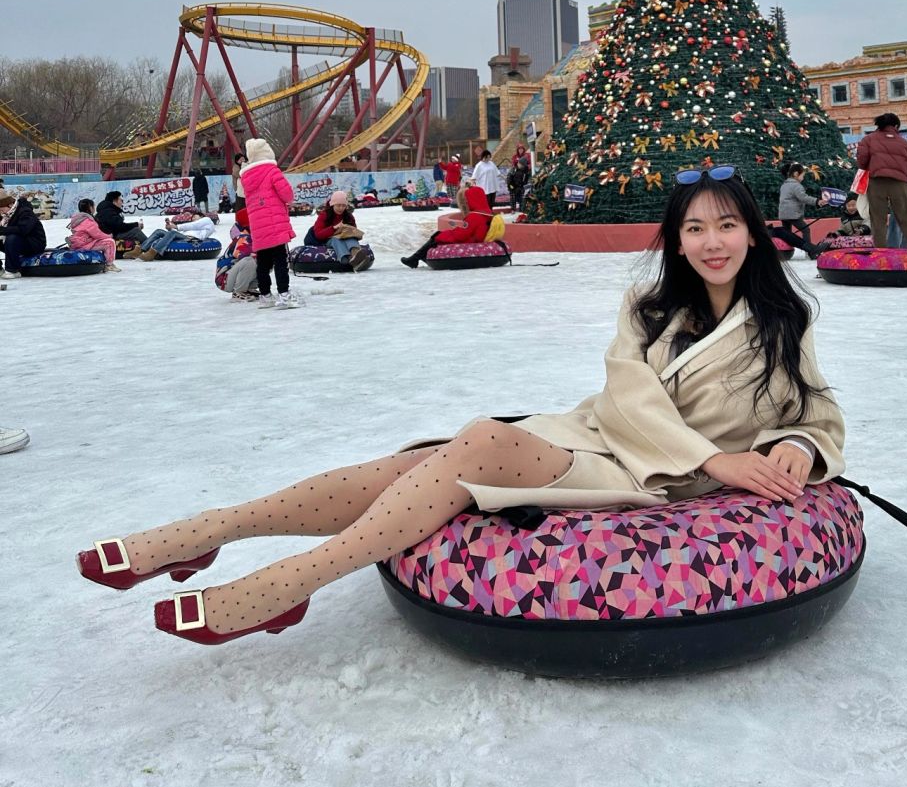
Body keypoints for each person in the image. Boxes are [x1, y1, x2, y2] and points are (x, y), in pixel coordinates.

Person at [77, 165, 844, 646]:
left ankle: (283, 583)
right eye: (695, 229)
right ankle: (210, 532)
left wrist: (796, 450)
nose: (713, 242)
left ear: (752, 232)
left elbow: (817, 414)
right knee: (412, 465)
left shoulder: (784, 322)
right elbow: (627, 392)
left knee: (477, 440)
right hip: (605, 434)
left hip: (663, 478)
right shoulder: (648, 306)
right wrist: (716, 451)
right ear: (676, 242)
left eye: (728, 225)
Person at [240, 138, 300, 309]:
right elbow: (287, 194)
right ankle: (284, 294)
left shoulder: (246, 177)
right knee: (280, 260)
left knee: (263, 262)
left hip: (258, 226)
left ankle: (265, 295)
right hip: (275, 223)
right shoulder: (272, 171)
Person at [855, 113, 907, 249]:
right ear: (896, 126)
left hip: (877, 182)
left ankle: (881, 250)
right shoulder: (903, 142)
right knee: (905, 215)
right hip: (899, 183)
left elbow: (862, 160)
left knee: (878, 218)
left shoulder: (868, 139)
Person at [399, 185, 494, 268]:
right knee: (439, 235)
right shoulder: (486, 214)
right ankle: (416, 258)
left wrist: (449, 233)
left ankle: (415, 259)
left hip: (470, 241)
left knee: (437, 236)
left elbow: (461, 235)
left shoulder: (474, 216)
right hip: (474, 239)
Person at [776, 164, 826, 255]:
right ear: (796, 174)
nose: (803, 178)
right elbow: (803, 198)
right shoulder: (796, 186)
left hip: (783, 214)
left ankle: (786, 252)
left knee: (787, 234)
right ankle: (811, 251)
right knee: (806, 230)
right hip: (793, 214)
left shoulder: (784, 185)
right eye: (802, 175)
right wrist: (817, 201)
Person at [309, 191, 368, 269]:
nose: (341, 208)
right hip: (327, 240)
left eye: (343, 206)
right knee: (336, 239)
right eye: (338, 205)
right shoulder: (324, 215)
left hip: (345, 237)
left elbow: (354, 231)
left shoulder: (348, 216)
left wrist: (349, 230)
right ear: (333, 205)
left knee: (350, 237)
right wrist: (334, 228)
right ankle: (345, 258)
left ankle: (356, 254)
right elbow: (318, 234)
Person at [215, 207, 258, 301]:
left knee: (266, 261)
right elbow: (241, 254)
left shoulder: (249, 236)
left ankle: (249, 288)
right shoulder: (242, 237)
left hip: (232, 274)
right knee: (250, 260)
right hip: (224, 279)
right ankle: (239, 291)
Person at [0, 192, 47, 275]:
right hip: (15, 244)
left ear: (10, 205)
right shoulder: (4, 215)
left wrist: (2, 230)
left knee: (12, 237)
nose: (0, 211)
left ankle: (12, 270)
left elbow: (23, 229)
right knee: (11, 237)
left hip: (34, 244)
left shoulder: (25, 211)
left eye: (1, 208)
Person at [67, 200, 119, 269]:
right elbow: (97, 234)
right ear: (90, 208)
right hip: (83, 244)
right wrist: (110, 236)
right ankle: (109, 265)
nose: (94, 208)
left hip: (78, 243)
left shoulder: (78, 218)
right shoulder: (87, 220)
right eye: (93, 206)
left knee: (101, 241)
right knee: (110, 242)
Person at [139, 214, 216, 260]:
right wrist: (170, 227)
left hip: (191, 238)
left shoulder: (207, 220)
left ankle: (152, 253)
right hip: (183, 236)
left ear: (201, 216)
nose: (193, 218)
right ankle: (140, 249)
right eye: (192, 218)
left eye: (195, 216)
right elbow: (179, 232)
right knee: (159, 231)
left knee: (172, 232)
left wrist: (176, 227)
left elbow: (194, 225)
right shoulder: (191, 226)